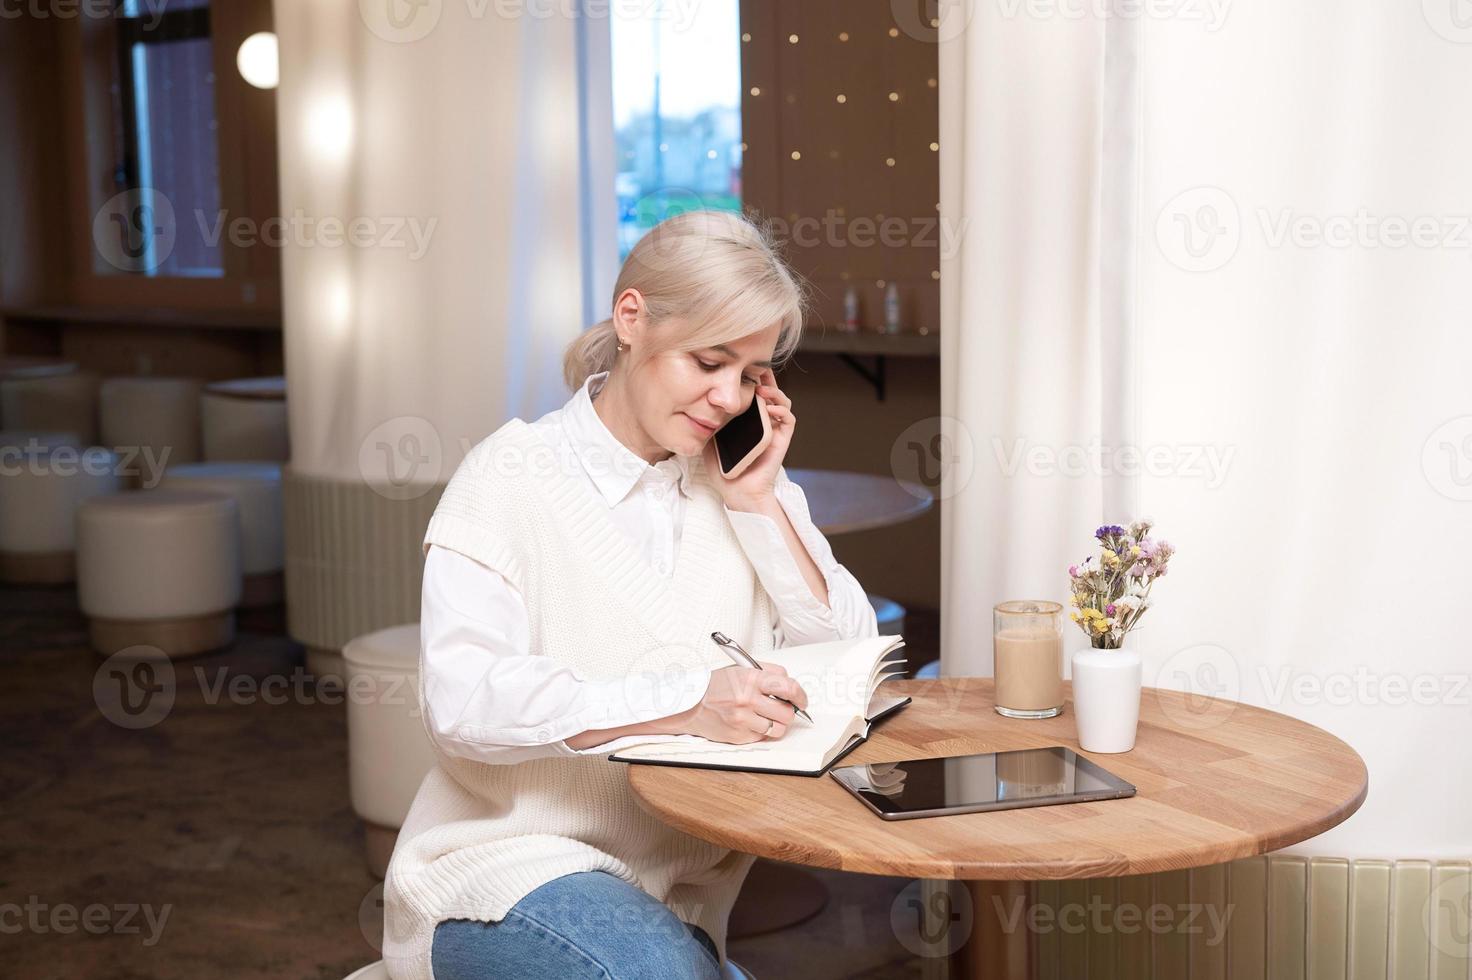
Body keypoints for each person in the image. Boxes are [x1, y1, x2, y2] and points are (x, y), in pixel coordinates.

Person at [383, 210, 879, 980]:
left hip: (672, 901)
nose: (726, 398)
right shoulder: (509, 474)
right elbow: (462, 702)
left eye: (749, 375)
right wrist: (687, 702)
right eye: (708, 361)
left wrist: (760, 505)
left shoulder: (744, 489)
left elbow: (848, 661)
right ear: (631, 319)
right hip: (506, 867)